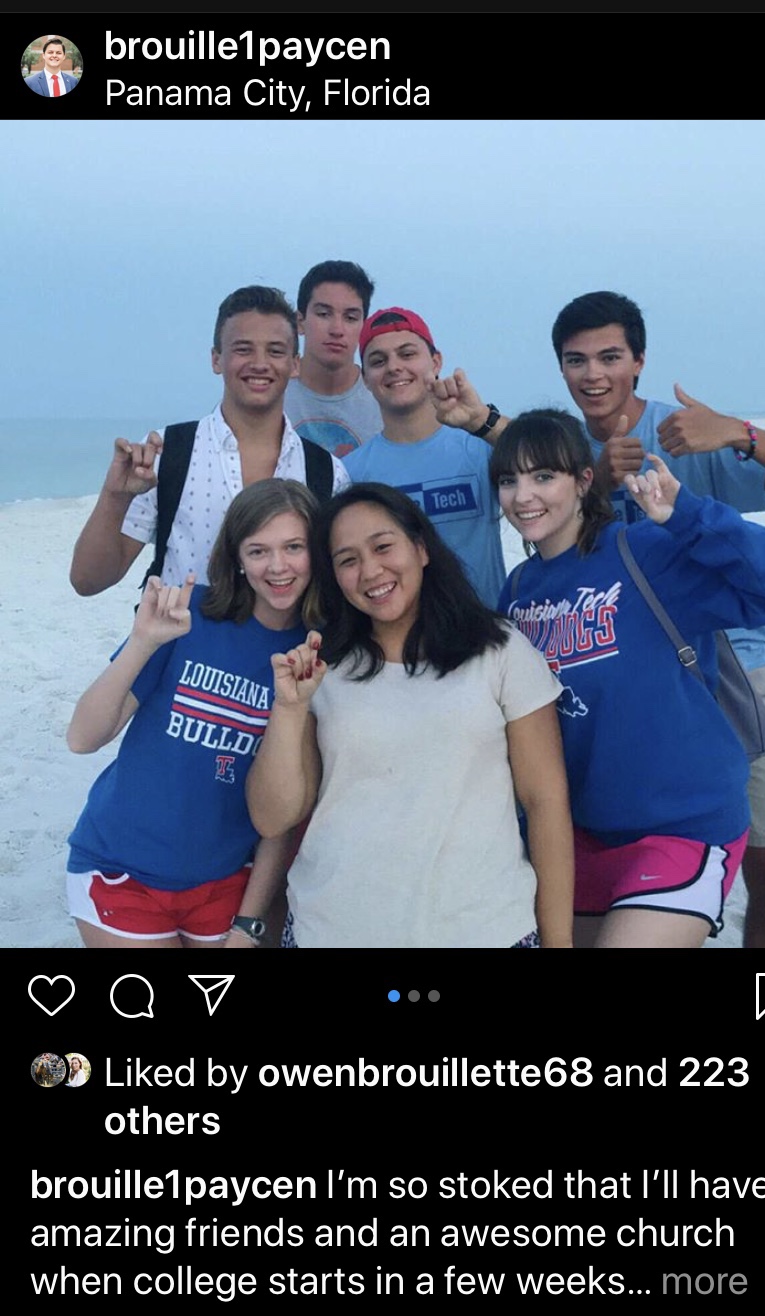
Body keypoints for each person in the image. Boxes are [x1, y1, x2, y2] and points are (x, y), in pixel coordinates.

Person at [490, 408, 765, 948]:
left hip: (682, 825)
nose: (524, 496)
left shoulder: (644, 551)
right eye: (508, 480)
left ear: (583, 481)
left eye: (543, 476)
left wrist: (686, 516)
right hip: (581, 836)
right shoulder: (518, 591)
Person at [550, 289, 765, 948]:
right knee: (623, 875)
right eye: (576, 360)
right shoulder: (562, 453)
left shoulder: (684, 434)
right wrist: (591, 484)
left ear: (639, 361)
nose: (593, 374)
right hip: (617, 691)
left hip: (726, 673)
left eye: (610, 357)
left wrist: (740, 433)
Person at [246, 482, 574, 949]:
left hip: (485, 931)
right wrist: (290, 707)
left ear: (421, 548)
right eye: (347, 560)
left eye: (383, 547)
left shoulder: (500, 650)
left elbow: (545, 802)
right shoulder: (321, 666)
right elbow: (271, 817)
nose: (370, 571)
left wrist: (559, 943)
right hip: (332, 930)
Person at [66, 479, 318, 948]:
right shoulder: (191, 616)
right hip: (122, 869)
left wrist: (248, 924)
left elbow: (282, 814)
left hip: (228, 878)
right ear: (237, 558)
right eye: (258, 551)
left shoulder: (314, 652)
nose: (277, 566)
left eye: (294, 547)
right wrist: (142, 642)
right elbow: (82, 737)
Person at [69, 285, 349, 595]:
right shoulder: (165, 453)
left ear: (295, 364)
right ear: (216, 359)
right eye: (243, 349)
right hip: (182, 628)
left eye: (275, 351)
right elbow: (88, 581)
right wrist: (114, 495)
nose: (260, 363)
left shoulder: (327, 473)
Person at [342, 307, 506, 608]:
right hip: (399, 634)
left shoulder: (480, 447)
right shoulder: (350, 473)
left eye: (407, 354)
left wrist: (483, 420)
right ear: (364, 378)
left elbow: (552, 454)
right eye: (378, 361)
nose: (394, 367)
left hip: (484, 628)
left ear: (436, 361)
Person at [283, 260, 382, 456]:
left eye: (350, 318)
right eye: (324, 314)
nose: (337, 329)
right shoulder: (272, 393)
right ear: (300, 322)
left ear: (363, 326)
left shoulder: (383, 399)